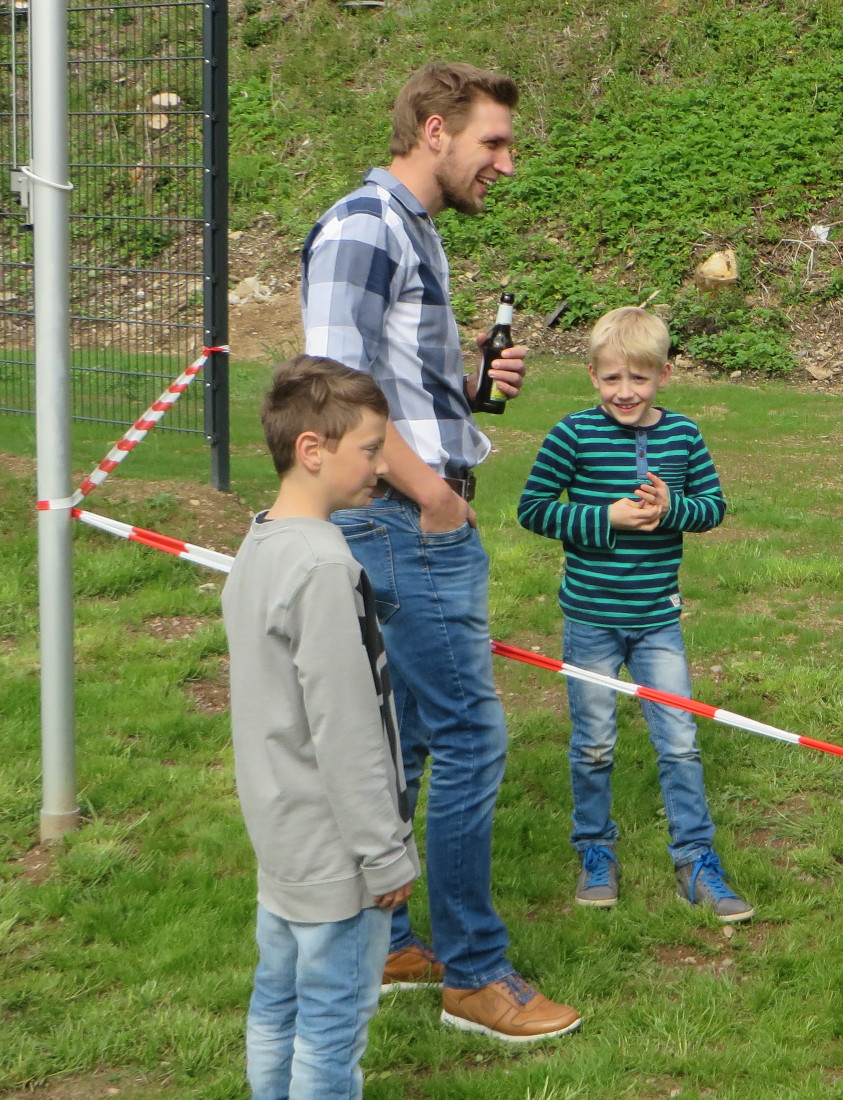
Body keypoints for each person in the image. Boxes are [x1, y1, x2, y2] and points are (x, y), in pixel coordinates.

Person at [302, 62, 578, 1042]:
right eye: (493, 141)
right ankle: (475, 973)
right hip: (401, 520)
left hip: (408, 512)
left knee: (411, 738)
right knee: (469, 736)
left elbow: (392, 382)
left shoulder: (411, 229)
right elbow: (334, 392)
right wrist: (432, 495)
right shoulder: (365, 225)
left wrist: (468, 387)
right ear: (433, 129)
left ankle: (386, 946)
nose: (507, 162)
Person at [224, 357, 422, 1100]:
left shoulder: (262, 543)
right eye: (370, 450)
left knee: (280, 993)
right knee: (334, 1013)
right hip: (336, 843)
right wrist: (383, 851)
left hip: (279, 828)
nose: (381, 466)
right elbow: (347, 726)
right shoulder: (324, 567)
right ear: (314, 449)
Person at [516, 307, 747, 922]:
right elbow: (533, 509)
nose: (625, 392)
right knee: (593, 743)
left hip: (657, 621)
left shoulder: (683, 436)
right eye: (612, 378)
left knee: (681, 743)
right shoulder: (572, 435)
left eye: (639, 379)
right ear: (593, 375)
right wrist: (606, 518)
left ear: (663, 375)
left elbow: (713, 507)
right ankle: (596, 850)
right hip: (590, 620)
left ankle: (695, 859)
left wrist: (674, 509)